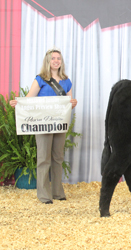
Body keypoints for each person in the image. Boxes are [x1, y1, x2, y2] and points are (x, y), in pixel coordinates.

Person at [10, 47, 78, 204]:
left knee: (58, 157)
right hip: (43, 124)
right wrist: (17, 103)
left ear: (61, 62)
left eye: (58, 58)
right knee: (43, 158)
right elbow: (28, 99)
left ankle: (57, 192)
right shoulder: (40, 79)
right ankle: (44, 194)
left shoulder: (67, 81)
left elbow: (69, 103)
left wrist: (73, 103)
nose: (56, 61)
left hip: (59, 124)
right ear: (48, 62)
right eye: (53, 58)